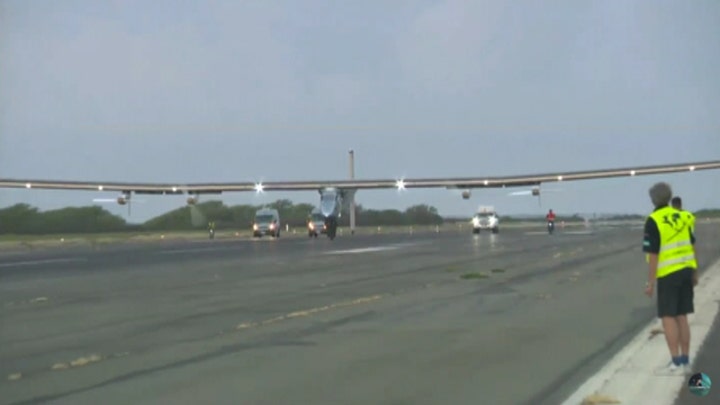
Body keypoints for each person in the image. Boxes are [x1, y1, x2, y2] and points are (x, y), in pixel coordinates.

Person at [643, 182, 698, 375]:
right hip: (686, 269)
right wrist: (694, 271)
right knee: (682, 315)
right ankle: (685, 359)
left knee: (668, 317)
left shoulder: (654, 220)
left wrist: (650, 282)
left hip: (668, 273)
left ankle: (675, 361)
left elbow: (653, 254)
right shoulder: (683, 216)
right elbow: (691, 245)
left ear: (653, 199)